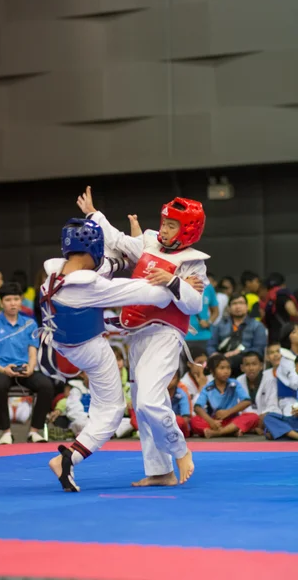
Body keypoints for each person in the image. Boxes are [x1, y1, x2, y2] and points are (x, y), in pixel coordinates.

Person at [42, 217, 203, 492]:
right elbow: (155, 296)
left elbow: (108, 263)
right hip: (91, 350)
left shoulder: (54, 275)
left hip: (64, 347)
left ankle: (157, 470)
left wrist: (96, 216)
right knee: (113, 412)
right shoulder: (91, 287)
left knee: (141, 402)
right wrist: (177, 283)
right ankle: (68, 458)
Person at [77, 187, 208, 487]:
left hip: (165, 335)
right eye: (164, 222)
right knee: (143, 406)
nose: (164, 228)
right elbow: (119, 240)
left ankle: (180, 450)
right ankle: (160, 471)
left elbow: (194, 305)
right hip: (137, 335)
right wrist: (93, 214)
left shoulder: (193, 262)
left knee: (150, 401)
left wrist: (173, 280)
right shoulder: (149, 243)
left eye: (172, 225)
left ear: (187, 229)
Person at [0, 282, 54, 445]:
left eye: (16, 299)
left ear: (21, 300)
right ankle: (6, 432)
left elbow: (32, 352)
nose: (13, 303)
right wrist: (4, 369)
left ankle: (34, 431)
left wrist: (30, 366)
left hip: (24, 370)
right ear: (1, 302)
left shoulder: (30, 324)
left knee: (46, 385)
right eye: (8, 300)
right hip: (0, 369)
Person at [191, 354, 259, 438]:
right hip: (215, 422)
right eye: (222, 368)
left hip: (233, 420)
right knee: (194, 421)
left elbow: (247, 401)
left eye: (228, 368)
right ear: (212, 371)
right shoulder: (208, 388)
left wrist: (228, 412)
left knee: (253, 417)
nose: (226, 371)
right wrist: (211, 421)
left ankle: (218, 433)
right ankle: (231, 431)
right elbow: (197, 407)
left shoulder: (234, 383)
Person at [207, 293, 267, 377]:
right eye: (234, 303)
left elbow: (259, 348)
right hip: (222, 358)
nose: (238, 306)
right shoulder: (220, 324)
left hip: (245, 358)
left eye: (241, 303)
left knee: (232, 362)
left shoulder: (257, 325)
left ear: (247, 307)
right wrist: (214, 355)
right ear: (229, 308)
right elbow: (211, 345)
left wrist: (239, 352)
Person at [237, 351, 280, 433]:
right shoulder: (239, 380)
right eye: (247, 365)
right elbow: (238, 405)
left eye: (254, 364)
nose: (251, 368)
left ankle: (252, 429)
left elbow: (272, 405)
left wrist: (260, 417)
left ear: (261, 366)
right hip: (248, 418)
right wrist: (251, 417)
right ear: (242, 368)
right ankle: (253, 429)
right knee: (237, 418)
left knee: (270, 417)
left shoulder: (269, 380)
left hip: (264, 417)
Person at [264, 273, 298, 343]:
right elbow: (292, 312)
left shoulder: (268, 296)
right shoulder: (282, 294)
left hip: (272, 334)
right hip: (285, 334)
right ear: (283, 284)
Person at [185, 282, 218, 351]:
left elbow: (216, 312)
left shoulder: (208, 287)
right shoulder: (180, 283)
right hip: (183, 336)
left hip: (204, 336)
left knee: (202, 361)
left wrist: (208, 322)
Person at [276, 323, 298, 416]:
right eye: (294, 332)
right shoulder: (286, 359)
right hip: (290, 401)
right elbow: (295, 383)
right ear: (287, 337)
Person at [168, 371, 191, 438]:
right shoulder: (158, 394)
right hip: (163, 423)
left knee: (179, 420)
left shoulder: (181, 394)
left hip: (179, 426)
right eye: (167, 378)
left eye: (173, 378)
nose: (169, 381)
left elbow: (185, 418)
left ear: (178, 380)